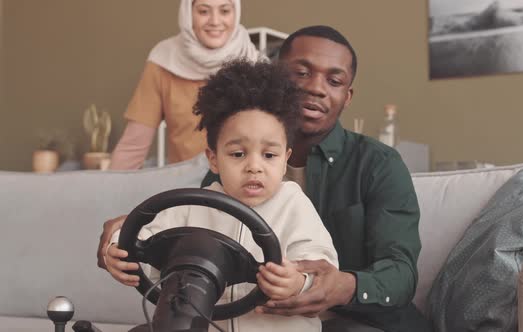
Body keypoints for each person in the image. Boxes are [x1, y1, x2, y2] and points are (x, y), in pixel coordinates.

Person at [99, 25, 432, 331]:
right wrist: (123, 241)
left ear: (347, 95)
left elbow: (399, 274)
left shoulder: (377, 165)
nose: (316, 88)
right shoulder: (222, 183)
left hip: (353, 320)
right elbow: (185, 239)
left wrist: (334, 285)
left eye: (334, 80)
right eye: (301, 73)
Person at [104, 60, 339, 331]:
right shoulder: (190, 206)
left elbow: (321, 267)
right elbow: (140, 238)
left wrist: (297, 282)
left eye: (269, 155)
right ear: (213, 159)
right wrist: (115, 248)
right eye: (238, 154)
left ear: (285, 160)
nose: (254, 166)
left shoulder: (294, 205)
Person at [109, 0, 262, 169]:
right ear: (188, 14)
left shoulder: (256, 63)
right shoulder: (163, 60)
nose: (215, 21)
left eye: (224, 11)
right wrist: (108, 192)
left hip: (243, 188)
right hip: (185, 188)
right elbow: (133, 147)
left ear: (236, 13)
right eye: (204, 11)